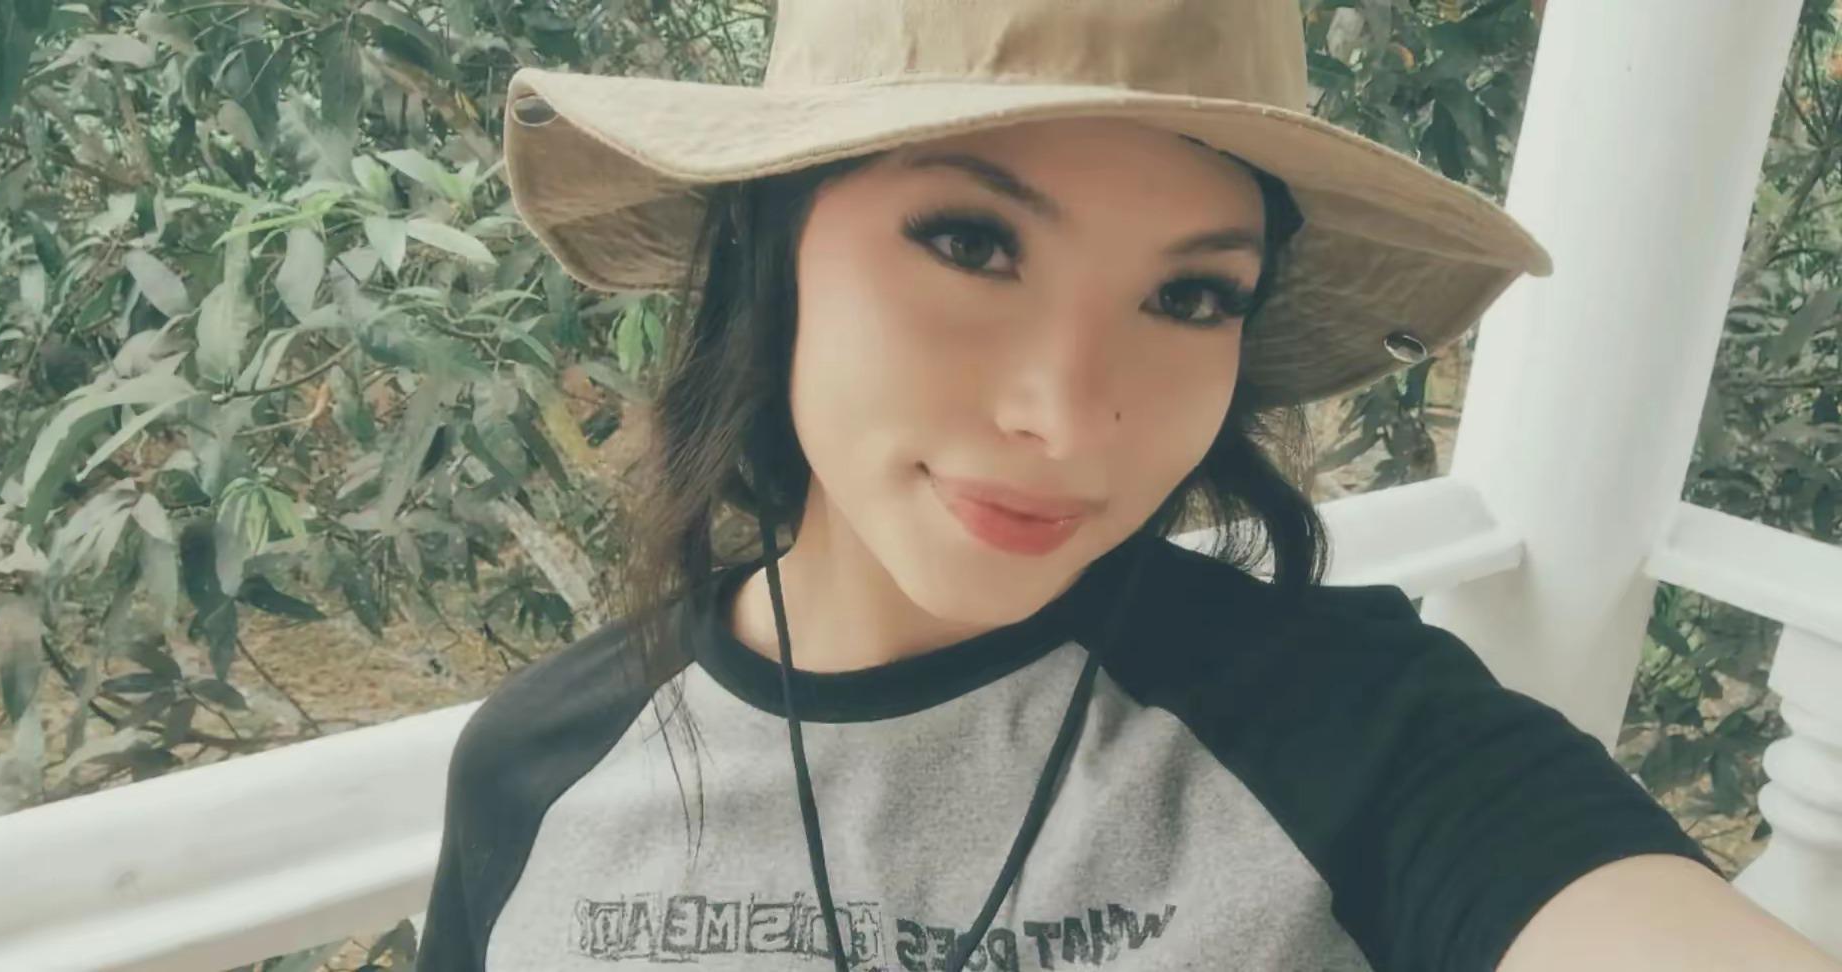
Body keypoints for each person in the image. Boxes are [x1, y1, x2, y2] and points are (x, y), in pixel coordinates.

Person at [417, 1, 1842, 970]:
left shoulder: (1354, 727)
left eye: (1192, 297)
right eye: (971, 243)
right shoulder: (541, 770)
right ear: (769, 252)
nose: (1070, 419)